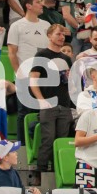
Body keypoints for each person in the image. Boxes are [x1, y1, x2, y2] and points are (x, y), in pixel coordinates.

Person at [29, 24, 73, 174]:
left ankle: (57, 173)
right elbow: (33, 80)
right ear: (49, 35)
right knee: (48, 140)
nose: (61, 37)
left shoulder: (67, 58)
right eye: (58, 34)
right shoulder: (41, 55)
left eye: (63, 35)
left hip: (64, 104)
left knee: (61, 140)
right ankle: (40, 174)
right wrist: (41, 100)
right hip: (48, 103)